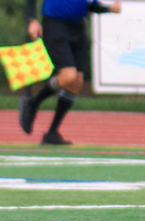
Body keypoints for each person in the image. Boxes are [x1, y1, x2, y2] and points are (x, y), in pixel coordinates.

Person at [19, 0, 122, 146]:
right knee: (69, 75)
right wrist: (32, 20)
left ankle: (51, 133)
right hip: (55, 25)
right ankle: (33, 103)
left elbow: (90, 5)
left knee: (77, 81)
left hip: (78, 27)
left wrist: (109, 9)